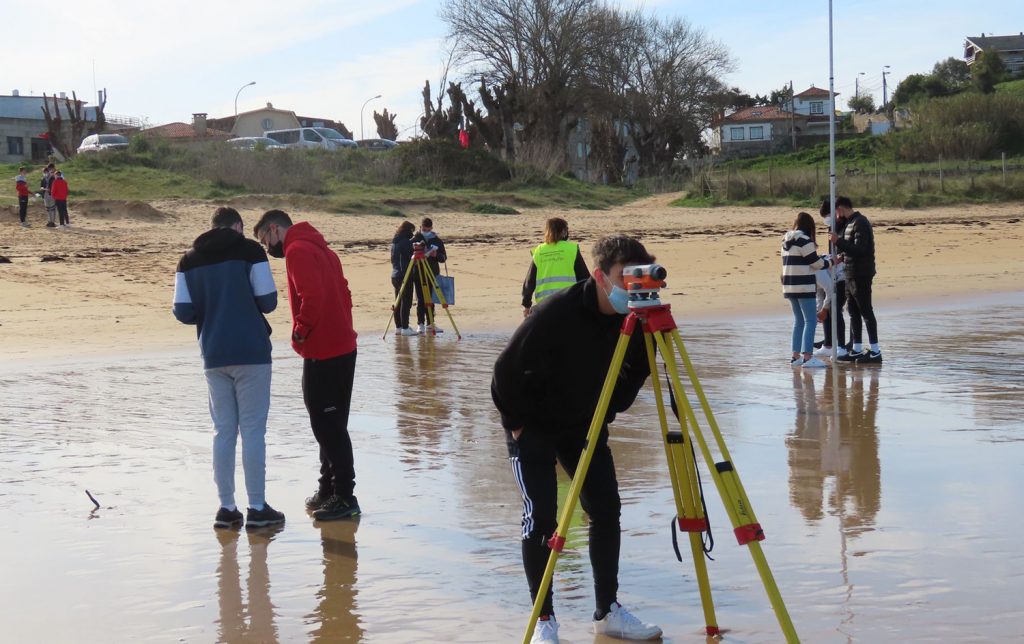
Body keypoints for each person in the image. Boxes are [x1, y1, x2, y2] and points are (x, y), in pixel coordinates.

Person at [492, 234, 663, 643]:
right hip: (531, 423)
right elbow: (504, 373)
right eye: (626, 276)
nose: (632, 285)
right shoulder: (556, 312)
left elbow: (634, 373)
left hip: (581, 424)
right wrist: (517, 424)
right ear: (601, 277)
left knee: (605, 508)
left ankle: (608, 612)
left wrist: (606, 410)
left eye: (640, 275)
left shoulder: (634, 319)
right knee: (542, 520)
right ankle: (544, 620)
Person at [172, 206, 284, 529]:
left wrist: (212, 311)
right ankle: (258, 508)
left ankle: (226, 508)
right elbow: (268, 301)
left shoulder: (188, 259)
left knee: (223, 431)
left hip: (214, 352)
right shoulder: (250, 250)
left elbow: (182, 311)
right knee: (252, 431)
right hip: (251, 351)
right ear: (237, 226)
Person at [254, 209, 361, 521]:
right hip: (342, 346)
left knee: (327, 427)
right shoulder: (322, 248)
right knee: (331, 425)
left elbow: (311, 298)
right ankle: (328, 489)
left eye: (264, 241)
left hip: (324, 351)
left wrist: (299, 334)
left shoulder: (297, 251)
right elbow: (344, 294)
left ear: (275, 229)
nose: (266, 248)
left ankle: (345, 495)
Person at [830, 196, 882, 364]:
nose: (836, 216)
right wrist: (841, 255)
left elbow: (860, 249)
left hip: (861, 273)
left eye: (836, 211)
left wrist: (839, 243)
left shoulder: (860, 222)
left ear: (840, 208)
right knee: (853, 311)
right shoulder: (849, 223)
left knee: (865, 310)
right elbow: (848, 247)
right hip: (849, 272)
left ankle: (875, 351)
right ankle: (857, 348)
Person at [782, 212, 831, 368]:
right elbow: (815, 263)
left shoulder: (785, 240)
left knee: (799, 321)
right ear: (810, 227)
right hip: (804, 285)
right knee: (810, 321)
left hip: (789, 286)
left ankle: (795, 357)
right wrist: (830, 262)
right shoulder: (805, 240)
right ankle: (808, 357)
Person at [521, 217, 590, 317]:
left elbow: (529, 281)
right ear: (563, 231)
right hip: (568, 302)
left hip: (544, 306)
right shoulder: (571, 249)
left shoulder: (539, 251)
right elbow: (584, 278)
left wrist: (526, 304)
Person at [814, 199, 849, 358]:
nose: (826, 219)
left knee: (836, 309)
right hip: (831, 270)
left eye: (827, 215)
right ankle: (828, 342)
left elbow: (843, 250)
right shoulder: (832, 227)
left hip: (843, 274)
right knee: (828, 309)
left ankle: (841, 344)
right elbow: (820, 295)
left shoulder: (844, 226)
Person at [411, 216, 448, 334]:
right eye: (424, 229)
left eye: (428, 229)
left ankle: (430, 323)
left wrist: (436, 255)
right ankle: (420, 324)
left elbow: (443, 258)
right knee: (421, 299)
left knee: (431, 299)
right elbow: (409, 256)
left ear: (431, 228)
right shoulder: (414, 239)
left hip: (432, 272)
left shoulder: (437, 240)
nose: (426, 231)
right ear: (420, 227)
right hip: (419, 272)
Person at [390, 220, 417, 336]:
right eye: (412, 231)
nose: (413, 234)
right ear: (408, 230)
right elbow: (411, 256)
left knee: (398, 301)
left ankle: (399, 327)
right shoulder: (405, 242)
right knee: (406, 301)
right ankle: (405, 327)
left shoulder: (395, 241)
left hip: (395, 274)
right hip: (404, 275)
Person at [40, 163, 57, 228]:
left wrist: (48, 189)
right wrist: (42, 189)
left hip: (51, 195)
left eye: (46, 172)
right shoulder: (43, 179)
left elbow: (53, 187)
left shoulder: (53, 178)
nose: (45, 173)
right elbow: (41, 186)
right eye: (44, 172)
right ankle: (49, 221)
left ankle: (52, 222)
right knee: (48, 209)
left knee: (52, 208)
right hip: (45, 195)